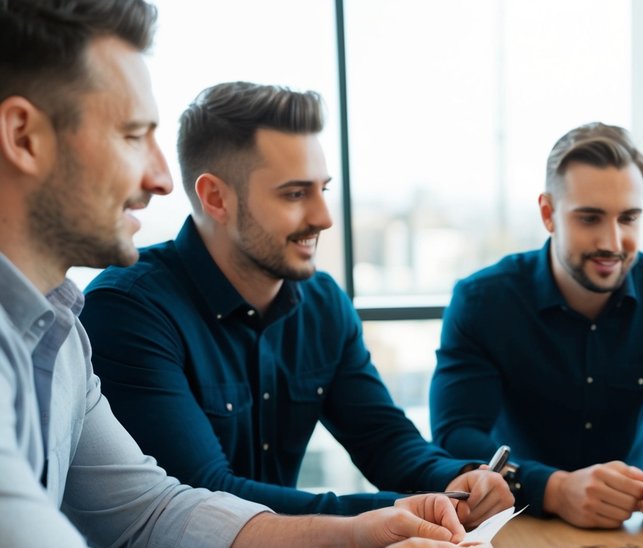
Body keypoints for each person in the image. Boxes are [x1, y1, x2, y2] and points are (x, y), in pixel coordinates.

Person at [0, 0, 491, 548]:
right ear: (23, 137)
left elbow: (155, 512)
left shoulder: (59, 327)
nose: (157, 176)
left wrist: (360, 536)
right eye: (132, 136)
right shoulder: (122, 307)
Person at [79, 81, 511, 525]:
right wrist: (395, 512)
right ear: (216, 198)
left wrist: (460, 480)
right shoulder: (128, 310)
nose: (323, 217)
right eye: (294, 194)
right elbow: (206, 495)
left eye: (322, 189)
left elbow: (384, 441)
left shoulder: (323, 304)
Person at [429, 123, 643, 529]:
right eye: (590, 218)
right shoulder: (482, 301)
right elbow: (454, 435)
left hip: (634, 532)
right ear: (548, 214)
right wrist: (553, 489)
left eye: (628, 218)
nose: (613, 242)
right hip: (513, 527)